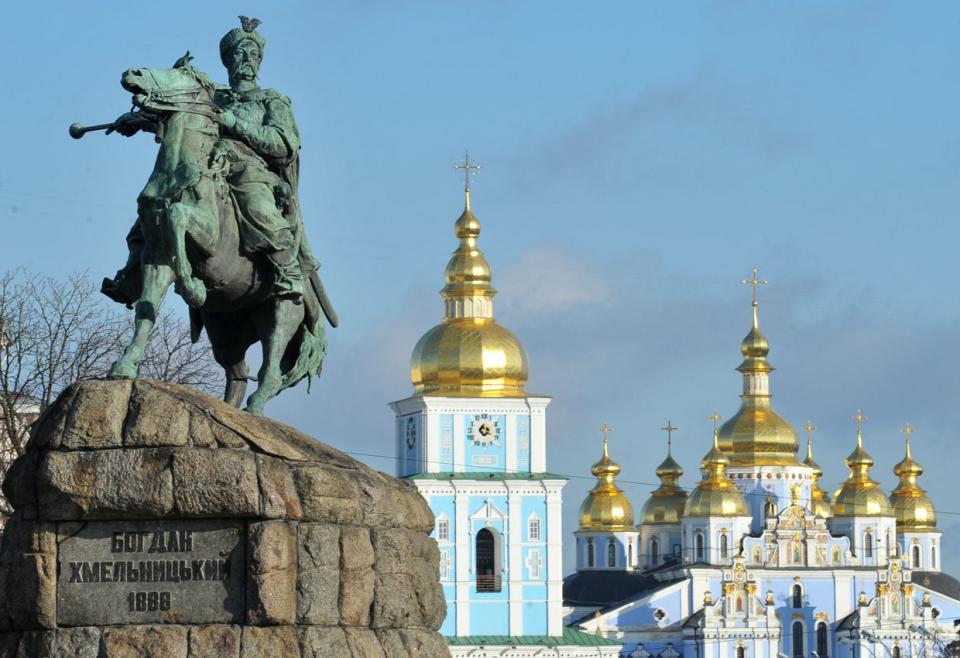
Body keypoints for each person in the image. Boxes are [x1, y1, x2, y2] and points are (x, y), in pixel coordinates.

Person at [103, 17, 314, 306]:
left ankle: (288, 272)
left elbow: (284, 144)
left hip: (250, 170)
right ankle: (133, 273)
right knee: (152, 206)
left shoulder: (271, 101)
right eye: (240, 53)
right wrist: (138, 120)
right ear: (228, 60)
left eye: (253, 54)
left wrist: (234, 122)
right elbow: (180, 114)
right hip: (205, 166)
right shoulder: (214, 96)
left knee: (259, 208)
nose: (247, 59)